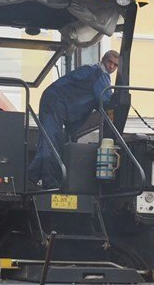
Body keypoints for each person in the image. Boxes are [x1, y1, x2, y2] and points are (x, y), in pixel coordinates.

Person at [28, 50, 121, 188]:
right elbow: (106, 100)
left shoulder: (93, 71)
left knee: (53, 141)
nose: (111, 66)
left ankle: (33, 178)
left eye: (115, 65)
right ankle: (47, 182)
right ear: (103, 60)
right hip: (55, 102)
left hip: (56, 103)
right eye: (110, 62)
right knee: (51, 142)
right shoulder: (99, 74)